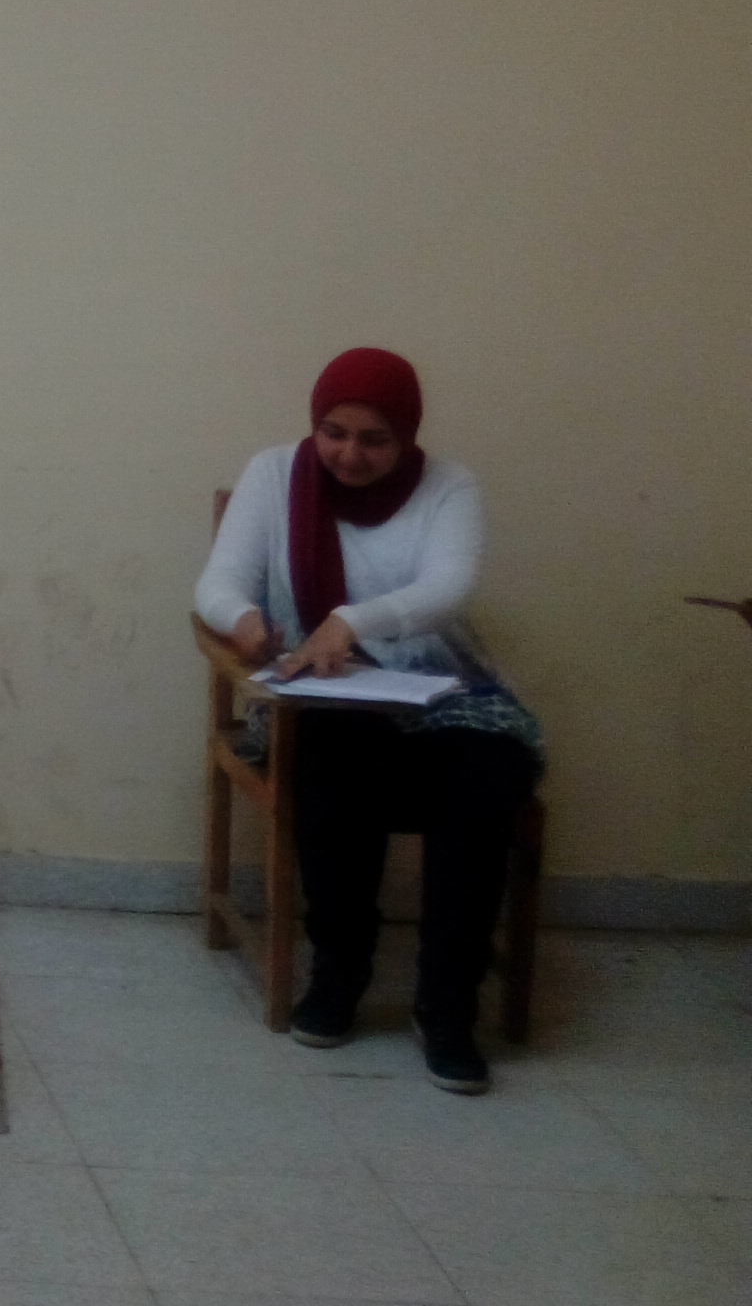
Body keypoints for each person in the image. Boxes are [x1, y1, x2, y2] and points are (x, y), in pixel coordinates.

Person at [193, 346, 541, 1092]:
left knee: (488, 779)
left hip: (441, 691)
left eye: (374, 439)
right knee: (332, 762)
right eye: (334, 433)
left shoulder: (449, 487)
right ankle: (339, 974)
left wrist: (351, 621)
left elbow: (449, 586)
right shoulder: (274, 475)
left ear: (407, 435)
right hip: (327, 694)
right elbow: (218, 584)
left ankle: (447, 1005)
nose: (349, 454)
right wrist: (246, 621)